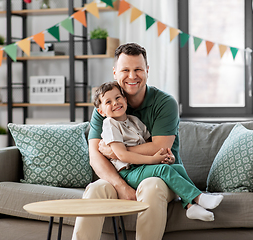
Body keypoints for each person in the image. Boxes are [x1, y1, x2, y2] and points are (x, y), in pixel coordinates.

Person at [71, 43, 214, 240]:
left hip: (161, 176)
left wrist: (117, 151)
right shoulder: (105, 106)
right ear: (115, 72)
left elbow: (159, 147)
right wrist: (121, 187)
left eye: (138, 69)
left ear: (147, 71)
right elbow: (95, 155)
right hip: (124, 174)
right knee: (96, 188)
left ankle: (190, 200)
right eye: (125, 70)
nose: (132, 76)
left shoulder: (165, 103)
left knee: (151, 186)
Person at [92, 80, 223, 222]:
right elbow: (122, 154)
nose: (115, 103)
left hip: (141, 167)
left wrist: (164, 157)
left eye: (117, 98)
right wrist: (153, 160)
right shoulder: (110, 124)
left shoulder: (134, 121)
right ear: (101, 112)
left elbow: (151, 145)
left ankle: (190, 207)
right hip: (128, 172)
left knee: (176, 167)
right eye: (108, 102)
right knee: (163, 170)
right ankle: (198, 197)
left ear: (125, 99)